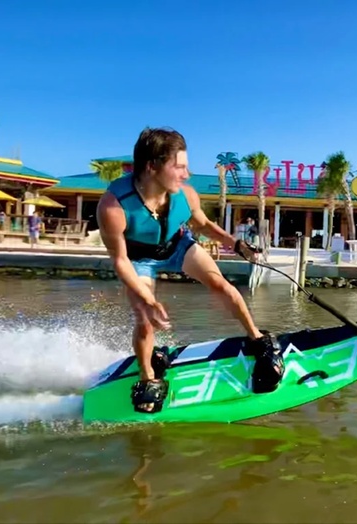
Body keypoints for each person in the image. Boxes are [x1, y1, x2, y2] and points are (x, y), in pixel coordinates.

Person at [97, 127, 285, 414]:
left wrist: (235, 244)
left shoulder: (185, 195)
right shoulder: (114, 206)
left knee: (221, 285)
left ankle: (257, 339)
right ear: (152, 167)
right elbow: (120, 260)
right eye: (179, 167)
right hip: (139, 259)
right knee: (145, 318)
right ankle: (147, 376)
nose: (187, 174)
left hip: (178, 245)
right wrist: (146, 298)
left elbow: (203, 226)